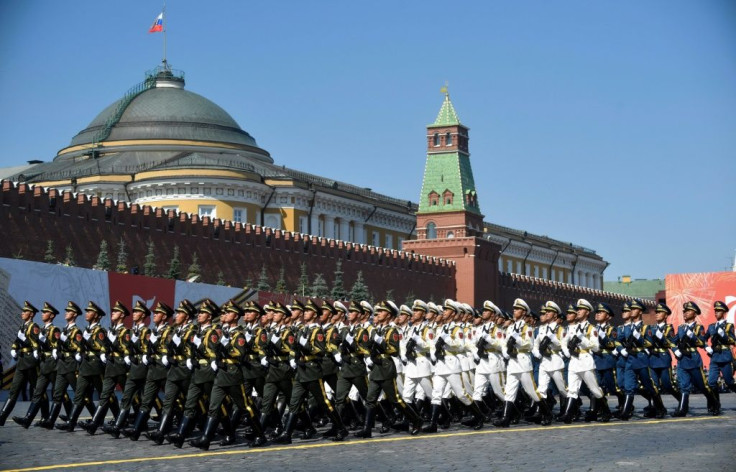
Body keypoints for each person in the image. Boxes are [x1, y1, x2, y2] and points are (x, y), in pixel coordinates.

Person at [189, 301, 267, 450]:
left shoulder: (239, 334)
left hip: (233, 374)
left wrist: (225, 349)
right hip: (221, 374)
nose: (225, 315)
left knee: (245, 406)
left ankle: (260, 435)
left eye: (229, 313)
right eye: (225, 313)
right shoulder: (222, 332)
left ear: (235, 316)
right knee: (214, 406)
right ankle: (206, 439)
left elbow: (241, 352)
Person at [273, 299, 348, 444]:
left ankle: (340, 428)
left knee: (324, 402)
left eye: (308, 311)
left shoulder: (317, 331)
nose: (305, 313)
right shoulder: (302, 330)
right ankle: (287, 434)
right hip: (301, 370)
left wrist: (305, 346)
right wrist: (294, 357)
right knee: (294, 402)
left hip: (313, 371)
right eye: (305, 310)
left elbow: (320, 350)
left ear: (314, 315)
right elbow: (294, 347)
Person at [355, 301, 423, 438]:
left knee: (395, 399)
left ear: (389, 315)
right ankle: (367, 429)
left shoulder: (393, 330)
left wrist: (381, 343)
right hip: (376, 367)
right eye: (378, 311)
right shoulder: (378, 329)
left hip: (386, 366)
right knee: (370, 399)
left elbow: (394, 350)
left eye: (381, 311)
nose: (378, 313)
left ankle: (416, 420)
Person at [146, 299, 197, 444]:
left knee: (191, 402)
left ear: (187, 316)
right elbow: (167, 348)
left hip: (186, 370)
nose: (177, 315)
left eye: (180, 313)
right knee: (168, 401)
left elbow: (191, 350)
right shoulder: (174, 330)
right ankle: (161, 432)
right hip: (174, 370)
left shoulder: (193, 331)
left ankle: (192, 427)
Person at [123, 301, 175, 441]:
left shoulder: (169, 331)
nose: (154, 315)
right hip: (153, 370)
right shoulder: (152, 332)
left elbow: (170, 348)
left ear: (164, 317)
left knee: (170, 402)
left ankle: (164, 430)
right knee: (146, 400)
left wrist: (164, 356)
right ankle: (136, 430)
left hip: (165, 370)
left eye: (157, 313)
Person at [495, 298, 550, 428]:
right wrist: (505, 352)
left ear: (524, 312)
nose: (514, 311)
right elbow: (504, 343)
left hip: (523, 362)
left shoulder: (527, 328)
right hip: (513, 362)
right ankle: (505, 418)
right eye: (514, 309)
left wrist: (517, 339)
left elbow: (529, 344)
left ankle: (547, 413)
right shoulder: (511, 327)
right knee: (509, 391)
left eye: (517, 309)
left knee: (531, 391)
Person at [82, 300, 133, 435]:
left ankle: (133, 422)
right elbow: (104, 346)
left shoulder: (124, 331)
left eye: (116, 312)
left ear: (122, 315)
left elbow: (127, 348)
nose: (113, 313)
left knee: (128, 397)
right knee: (104, 396)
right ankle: (94, 424)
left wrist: (125, 355)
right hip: (110, 367)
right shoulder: (110, 331)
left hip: (121, 366)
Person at [56, 301, 108, 432]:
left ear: (96, 315)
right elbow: (80, 347)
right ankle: (71, 423)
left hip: (96, 366)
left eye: (89, 312)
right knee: (79, 395)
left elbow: (101, 346)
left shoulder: (99, 330)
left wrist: (84, 341)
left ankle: (115, 420)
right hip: (85, 366)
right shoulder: (86, 330)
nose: (86, 314)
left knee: (105, 395)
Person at [103, 301, 152, 437]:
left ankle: (141, 423)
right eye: (134, 311)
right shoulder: (131, 331)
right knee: (127, 397)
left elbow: (147, 349)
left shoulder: (146, 331)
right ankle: (118, 427)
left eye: (137, 312)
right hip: (133, 367)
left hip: (142, 367)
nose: (134, 314)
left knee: (144, 398)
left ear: (142, 315)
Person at [559, 299, 611, 423]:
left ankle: (606, 411)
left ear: (587, 312)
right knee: (572, 389)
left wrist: (582, 340)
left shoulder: (590, 328)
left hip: (585, 359)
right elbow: (564, 342)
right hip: (574, 360)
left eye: (581, 309)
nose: (578, 311)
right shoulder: (572, 328)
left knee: (594, 389)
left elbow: (596, 347)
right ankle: (568, 414)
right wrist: (567, 350)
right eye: (577, 309)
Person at [12, 302, 60, 428]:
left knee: (59, 394)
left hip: (53, 365)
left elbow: (56, 345)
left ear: (52, 316)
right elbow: (36, 344)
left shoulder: (54, 330)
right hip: (44, 364)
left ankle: (68, 419)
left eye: (45, 312)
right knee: (38, 392)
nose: (42, 314)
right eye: (43, 312)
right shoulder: (42, 329)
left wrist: (52, 348)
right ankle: (28, 420)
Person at [37, 302, 84, 429]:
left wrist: (65, 341)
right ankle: (50, 422)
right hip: (62, 366)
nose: (66, 313)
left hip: (71, 366)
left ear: (74, 314)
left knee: (80, 394)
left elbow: (78, 347)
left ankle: (96, 418)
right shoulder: (64, 329)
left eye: (68, 311)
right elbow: (57, 346)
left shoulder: (76, 331)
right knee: (57, 394)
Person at [672, 301, 719, 416]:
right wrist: (675, 350)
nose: (685, 313)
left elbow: (702, 342)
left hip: (693, 359)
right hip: (682, 359)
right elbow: (673, 341)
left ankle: (714, 403)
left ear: (694, 313)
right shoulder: (681, 328)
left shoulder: (699, 328)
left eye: (688, 311)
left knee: (702, 386)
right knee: (683, 385)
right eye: (684, 311)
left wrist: (692, 336)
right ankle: (682, 409)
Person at [0, 301, 41, 426]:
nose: (22, 313)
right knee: (14, 390)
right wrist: (13, 348)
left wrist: (24, 340)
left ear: (31, 314)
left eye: (25, 311)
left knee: (38, 391)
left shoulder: (34, 327)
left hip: (30, 362)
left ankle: (44, 416)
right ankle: (2, 416)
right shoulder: (22, 327)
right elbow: (17, 340)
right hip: (22, 362)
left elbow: (35, 343)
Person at [531, 301, 566, 425]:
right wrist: (537, 353)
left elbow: (563, 344)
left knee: (562, 390)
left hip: (555, 361)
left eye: (549, 312)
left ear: (555, 315)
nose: (546, 313)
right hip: (544, 362)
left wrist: (552, 339)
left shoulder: (560, 329)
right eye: (545, 312)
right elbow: (535, 345)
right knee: (541, 390)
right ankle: (546, 414)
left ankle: (569, 410)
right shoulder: (541, 329)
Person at [647, 302, 680, 416]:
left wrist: (661, 338)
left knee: (668, 385)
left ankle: (682, 401)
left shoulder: (668, 328)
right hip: (652, 359)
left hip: (663, 358)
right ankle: (659, 408)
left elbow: (671, 342)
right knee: (654, 386)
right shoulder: (651, 328)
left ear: (666, 315)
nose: (657, 314)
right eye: (656, 312)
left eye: (660, 312)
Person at [705, 300, 736, 412]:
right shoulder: (712, 327)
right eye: (715, 311)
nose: (716, 313)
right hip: (714, 357)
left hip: (725, 356)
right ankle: (716, 405)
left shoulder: (728, 326)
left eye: (718, 311)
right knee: (711, 382)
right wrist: (706, 347)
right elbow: (703, 339)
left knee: (729, 382)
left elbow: (733, 340)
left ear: (724, 313)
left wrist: (724, 336)